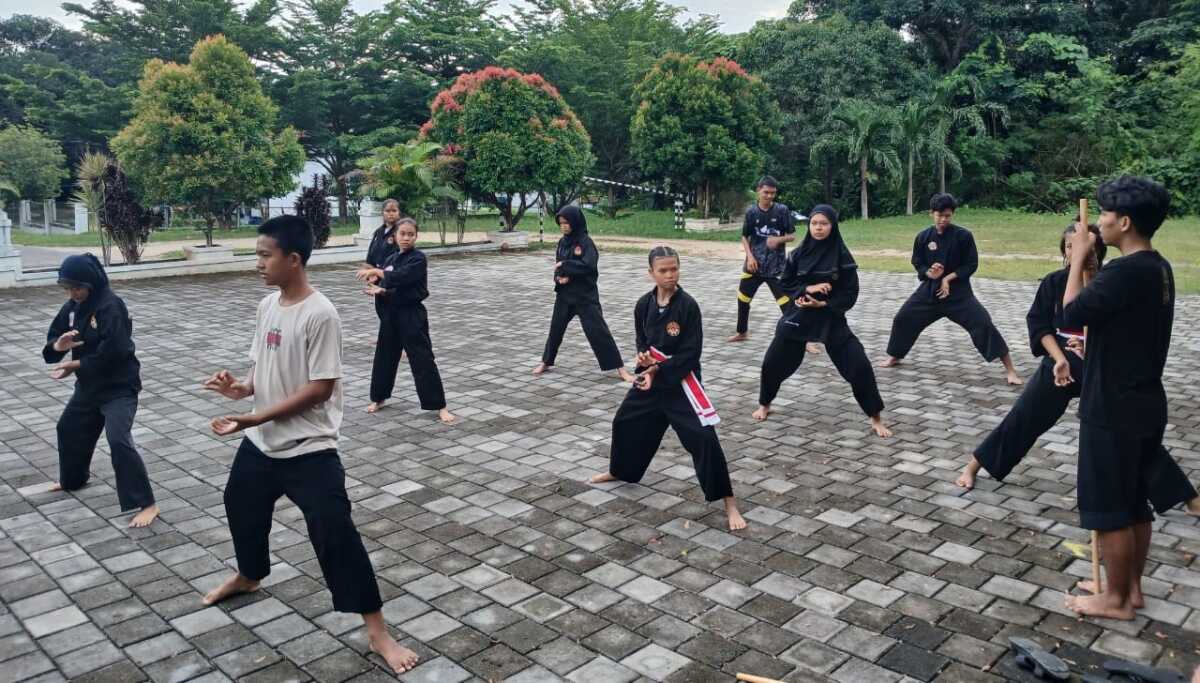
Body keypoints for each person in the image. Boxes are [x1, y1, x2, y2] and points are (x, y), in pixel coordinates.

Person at [200, 215, 418, 673]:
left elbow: (320, 388)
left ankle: (378, 630)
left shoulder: (321, 314)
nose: (257, 263)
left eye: (265, 255)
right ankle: (250, 574)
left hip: (309, 448)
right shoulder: (267, 307)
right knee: (240, 503)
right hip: (262, 442)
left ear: (293, 259)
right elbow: (262, 372)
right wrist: (238, 389)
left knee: (336, 534)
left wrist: (255, 415)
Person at [958, 223, 1199, 517]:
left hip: (1100, 369)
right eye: (1070, 247)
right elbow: (1040, 325)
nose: (1077, 252)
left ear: (1098, 250)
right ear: (1064, 251)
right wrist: (1058, 357)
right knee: (1024, 416)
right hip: (1059, 364)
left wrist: (1093, 347)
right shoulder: (1053, 283)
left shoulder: (1110, 283)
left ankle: (1186, 497)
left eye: (1084, 246)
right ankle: (974, 465)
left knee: (1128, 430)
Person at [1061, 176, 1175, 621]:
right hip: (1145, 398)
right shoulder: (1157, 266)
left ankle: (1115, 600)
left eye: (1105, 216)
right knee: (1134, 502)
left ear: (1124, 222)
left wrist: (1078, 260)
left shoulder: (1124, 272)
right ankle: (1129, 588)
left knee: (1110, 507)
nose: (1100, 222)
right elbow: (1120, 323)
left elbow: (1070, 313)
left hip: (1112, 404)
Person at [591, 246, 747, 531]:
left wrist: (657, 369)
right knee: (624, 421)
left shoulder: (688, 306)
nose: (669, 275)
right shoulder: (643, 304)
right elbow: (642, 341)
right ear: (650, 273)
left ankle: (729, 502)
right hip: (651, 382)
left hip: (680, 384)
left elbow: (691, 353)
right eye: (663, 270)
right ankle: (619, 470)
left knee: (704, 439)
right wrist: (643, 360)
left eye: (674, 268)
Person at [753, 205, 892, 438]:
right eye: (814, 223)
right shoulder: (797, 254)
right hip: (798, 317)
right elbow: (785, 283)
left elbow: (850, 294)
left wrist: (824, 304)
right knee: (771, 364)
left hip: (830, 318)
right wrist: (808, 288)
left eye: (824, 223)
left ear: (832, 226)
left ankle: (875, 418)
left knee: (860, 367)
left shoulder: (842, 256)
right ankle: (765, 404)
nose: (818, 228)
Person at [42, 253, 158, 528]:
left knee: (118, 439)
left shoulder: (110, 305)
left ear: (91, 282)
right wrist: (59, 347)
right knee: (68, 428)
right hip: (89, 386)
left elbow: (118, 350)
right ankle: (74, 479)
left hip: (119, 387)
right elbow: (52, 342)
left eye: (77, 287)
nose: (73, 293)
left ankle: (147, 503)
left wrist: (76, 364)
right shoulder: (72, 307)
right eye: (68, 288)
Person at [878, 193, 1023, 385]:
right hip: (929, 293)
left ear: (952, 214)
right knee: (903, 319)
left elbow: (971, 264)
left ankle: (1010, 370)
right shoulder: (923, 237)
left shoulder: (963, 236)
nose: (943, 219)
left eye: (947, 215)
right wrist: (930, 273)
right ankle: (895, 356)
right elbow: (917, 262)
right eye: (940, 215)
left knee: (983, 324)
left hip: (959, 296)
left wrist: (948, 278)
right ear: (932, 213)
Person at [356, 218, 455, 423]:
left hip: (412, 315)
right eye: (403, 234)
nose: (406, 238)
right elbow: (389, 284)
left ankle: (439, 405)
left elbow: (403, 277)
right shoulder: (390, 259)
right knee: (384, 357)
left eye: (411, 234)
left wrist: (377, 272)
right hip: (391, 315)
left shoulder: (418, 259)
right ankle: (379, 397)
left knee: (423, 359)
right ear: (395, 236)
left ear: (416, 236)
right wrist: (378, 288)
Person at [533, 205, 634, 381]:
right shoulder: (562, 242)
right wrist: (559, 279)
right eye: (561, 223)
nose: (564, 226)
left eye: (567, 223)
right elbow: (558, 266)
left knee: (599, 332)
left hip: (585, 297)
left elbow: (589, 266)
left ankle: (621, 369)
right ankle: (546, 361)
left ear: (575, 222)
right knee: (555, 330)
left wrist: (566, 267)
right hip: (565, 296)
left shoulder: (586, 242)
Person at [729, 176, 797, 343]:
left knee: (787, 304)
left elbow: (792, 236)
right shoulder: (751, 212)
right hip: (754, 266)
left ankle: (802, 339)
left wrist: (778, 240)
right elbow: (745, 237)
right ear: (758, 190)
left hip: (777, 267)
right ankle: (742, 332)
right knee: (743, 299)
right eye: (766, 192)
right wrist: (750, 257)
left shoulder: (782, 210)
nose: (769, 196)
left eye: (773, 193)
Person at [364, 199, 403, 349]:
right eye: (388, 211)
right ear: (382, 213)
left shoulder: (400, 232)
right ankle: (385, 337)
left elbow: (400, 256)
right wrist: (369, 271)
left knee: (394, 310)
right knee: (381, 308)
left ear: (399, 213)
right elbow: (372, 253)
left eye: (394, 211)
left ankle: (402, 344)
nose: (391, 214)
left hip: (391, 276)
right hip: (377, 277)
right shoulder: (379, 232)